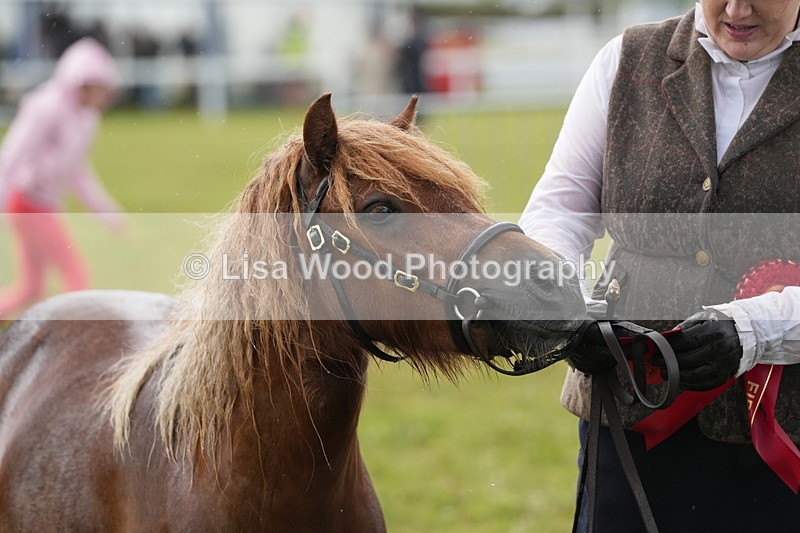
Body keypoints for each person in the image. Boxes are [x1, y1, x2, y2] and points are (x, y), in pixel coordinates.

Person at [519, 1, 800, 531]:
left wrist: (757, 329)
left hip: (785, 434)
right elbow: (561, 207)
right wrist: (566, 303)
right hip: (626, 410)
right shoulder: (626, 59)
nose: (737, 9)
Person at [0, 38, 124, 320]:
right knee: (77, 278)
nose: (102, 94)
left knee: (30, 289)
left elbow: (77, 172)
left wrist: (105, 211)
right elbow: (13, 153)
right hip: (28, 202)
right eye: (97, 86)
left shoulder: (86, 119)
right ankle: (68, 343)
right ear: (81, 82)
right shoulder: (47, 106)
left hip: (44, 204)